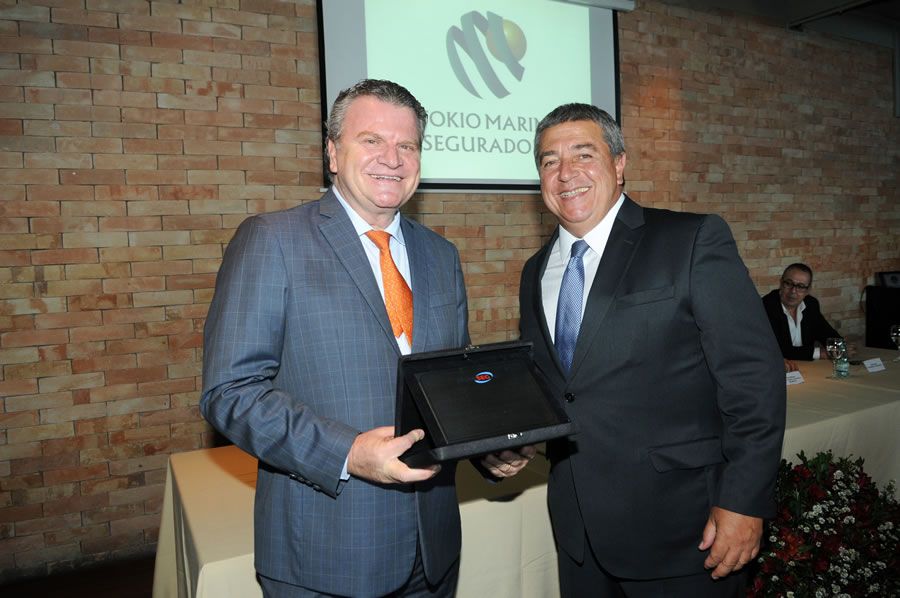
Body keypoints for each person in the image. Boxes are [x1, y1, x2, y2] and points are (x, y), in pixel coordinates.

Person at [201, 79, 531, 598]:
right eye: (372, 140)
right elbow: (230, 392)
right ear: (332, 152)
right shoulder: (272, 240)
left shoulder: (440, 256)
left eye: (407, 145)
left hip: (433, 553)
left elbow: (447, 387)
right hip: (327, 556)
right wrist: (347, 453)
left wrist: (486, 450)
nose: (392, 158)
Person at [517, 103, 786, 597]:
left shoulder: (691, 240)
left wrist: (745, 502)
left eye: (583, 154)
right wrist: (512, 440)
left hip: (687, 533)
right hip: (580, 540)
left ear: (619, 164)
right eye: (549, 160)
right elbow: (555, 390)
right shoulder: (535, 272)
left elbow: (753, 380)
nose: (565, 173)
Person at [762, 263, 841, 372]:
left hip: (808, 370)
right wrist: (819, 353)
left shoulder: (811, 305)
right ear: (781, 283)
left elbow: (827, 334)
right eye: (789, 284)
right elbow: (778, 350)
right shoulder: (767, 306)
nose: (793, 291)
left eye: (800, 286)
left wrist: (840, 346)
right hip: (780, 371)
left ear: (808, 290)